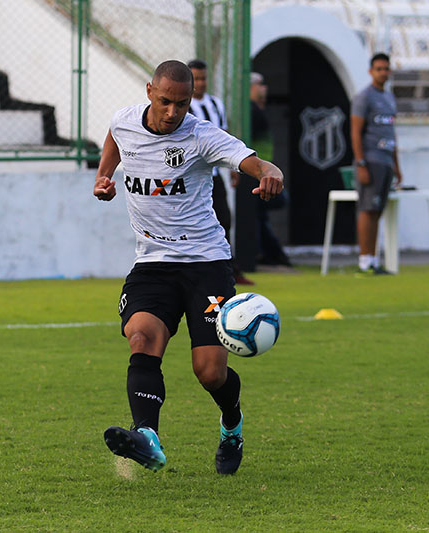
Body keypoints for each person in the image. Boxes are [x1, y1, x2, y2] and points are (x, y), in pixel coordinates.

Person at [93, 60, 284, 475]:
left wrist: (270, 171)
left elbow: (251, 160)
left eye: (181, 104)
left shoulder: (201, 136)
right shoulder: (125, 121)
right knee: (142, 337)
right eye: (164, 102)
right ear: (149, 92)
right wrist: (104, 177)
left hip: (207, 265)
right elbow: (113, 137)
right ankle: (147, 437)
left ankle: (231, 424)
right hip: (153, 264)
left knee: (210, 372)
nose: (171, 112)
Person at [187, 59, 254, 285]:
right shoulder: (183, 106)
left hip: (215, 176)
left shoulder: (215, 104)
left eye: (204, 78)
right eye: (196, 78)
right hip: (192, 177)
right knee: (194, 222)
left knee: (224, 219)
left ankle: (228, 267)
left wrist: (233, 168)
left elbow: (224, 135)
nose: (201, 83)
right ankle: (197, 268)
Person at [350, 52, 403, 275]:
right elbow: (355, 131)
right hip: (370, 160)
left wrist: (397, 166)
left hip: (386, 161)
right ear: (371, 71)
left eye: (386, 68)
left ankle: (373, 259)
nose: (383, 72)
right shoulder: (364, 97)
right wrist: (361, 163)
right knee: (367, 209)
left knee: (378, 210)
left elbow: (391, 133)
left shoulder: (389, 98)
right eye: (379, 68)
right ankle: (364, 260)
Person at [250, 72, 291, 267]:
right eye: (260, 84)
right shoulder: (250, 111)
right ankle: (264, 254)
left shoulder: (257, 110)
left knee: (261, 215)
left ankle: (271, 254)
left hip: (263, 172)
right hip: (254, 173)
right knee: (259, 214)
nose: (264, 88)